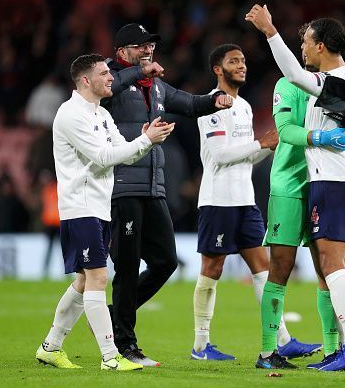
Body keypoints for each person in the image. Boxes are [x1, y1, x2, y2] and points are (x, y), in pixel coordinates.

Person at [246, 6, 345, 371]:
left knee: (330, 267)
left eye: (308, 42)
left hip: (330, 181)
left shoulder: (336, 80)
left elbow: (294, 74)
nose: (304, 48)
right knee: (336, 267)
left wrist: (269, 31)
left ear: (323, 46)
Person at [102, 23, 233, 367]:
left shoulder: (156, 86)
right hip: (122, 185)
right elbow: (108, 88)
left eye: (151, 47)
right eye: (140, 46)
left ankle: (113, 314)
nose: (148, 51)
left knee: (166, 262)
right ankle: (124, 344)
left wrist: (214, 101)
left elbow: (188, 103)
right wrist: (137, 71)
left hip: (153, 187)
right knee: (127, 267)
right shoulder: (108, 78)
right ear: (122, 52)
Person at [35, 53, 174, 371]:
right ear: (85, 80)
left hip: (99, 206)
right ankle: (111, 357)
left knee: (85, 281)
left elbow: (123, 152)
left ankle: (51, 347)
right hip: (80, 206)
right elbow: (102, 157)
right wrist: (144, 140)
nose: (111, 77)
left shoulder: (100, 114)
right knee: (98, 277)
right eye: (103, 73)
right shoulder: (71, 115)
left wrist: (145, 139)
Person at [191, 43, 320, 362]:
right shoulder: (211, 105)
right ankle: (200, 345)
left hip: (244, 201)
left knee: (262, 268)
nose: (242, 65)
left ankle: (283, 339)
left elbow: (245, 159)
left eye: (244, 60)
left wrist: (268, 148)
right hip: (217, 200)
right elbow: (219, 157)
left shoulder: (245, 107)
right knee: (212, 267)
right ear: (218, 70)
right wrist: (260, 142)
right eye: (234, 61)